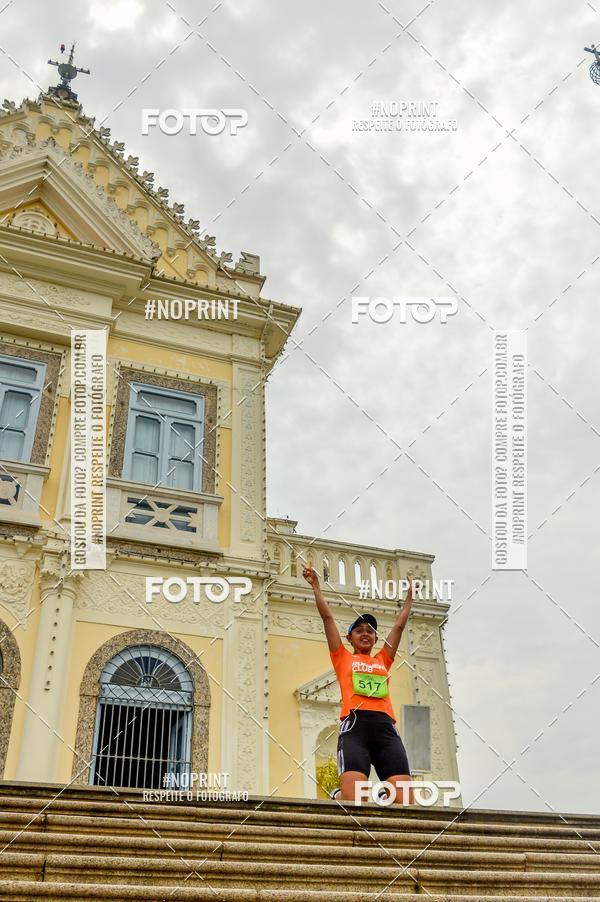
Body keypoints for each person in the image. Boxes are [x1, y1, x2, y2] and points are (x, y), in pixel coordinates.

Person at [302, 563, 414, 805]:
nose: (365, 633)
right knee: (355, 801)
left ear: (375, 638)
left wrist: (409, 600)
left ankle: (384, 794)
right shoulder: (342, 657)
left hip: (385, 728)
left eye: (370, 631)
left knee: (405, 801)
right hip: (355, 726)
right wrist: (316, 586)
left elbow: (398, 627)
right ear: (349, 638)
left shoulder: (383, 659)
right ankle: (339, 794)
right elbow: (327, 618)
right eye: (359, 630)